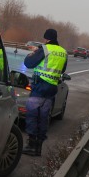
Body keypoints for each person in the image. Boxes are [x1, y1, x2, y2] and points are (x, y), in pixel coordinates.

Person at [22, 28, 68, 156]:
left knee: (32, 115)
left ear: (46, 38)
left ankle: (31, 145)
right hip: (52, 89)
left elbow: (28, 63)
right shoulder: (63, 52)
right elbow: (62, 70)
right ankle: (38, 147)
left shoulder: (45, 49)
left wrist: (32, 53)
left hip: (40, 86)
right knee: (43, 117)